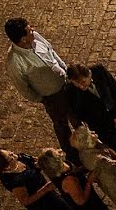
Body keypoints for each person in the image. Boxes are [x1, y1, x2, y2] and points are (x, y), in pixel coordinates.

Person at [4, 18, 79, 155]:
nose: (33, 31)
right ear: (22, 40)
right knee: (62, 126)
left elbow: (51, 51)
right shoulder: (14, 63)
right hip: (51, 97)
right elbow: (24, 88)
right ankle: (72, 155)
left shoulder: (35, 37)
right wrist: (42, 99)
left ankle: (87, 143)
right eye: (29, 31)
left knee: (77, 115)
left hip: (65, 82)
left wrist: (64, 68)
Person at [66, 63, 116, 177]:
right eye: (77, 84)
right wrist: (110, 122)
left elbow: (115, 89)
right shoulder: (71, 91)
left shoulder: (99, 70)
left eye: (83, 82)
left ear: (89, 74)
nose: (81, 87)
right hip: (102, 127)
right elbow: (82, 114)